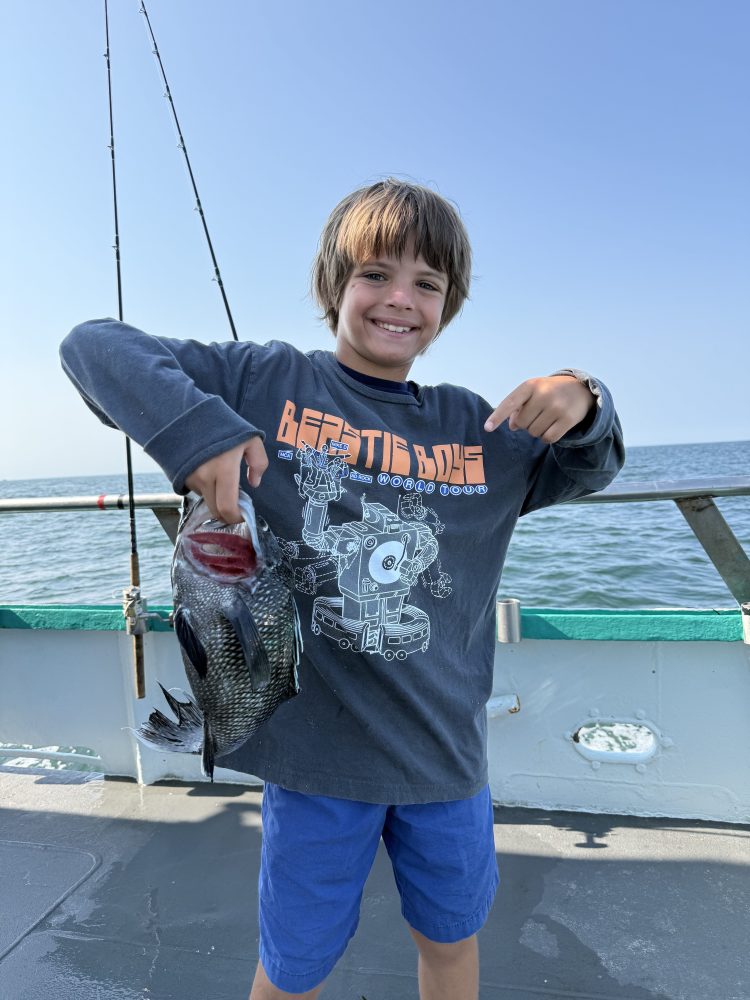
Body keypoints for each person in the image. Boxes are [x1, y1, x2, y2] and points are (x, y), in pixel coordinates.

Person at [60, 178, 625, 1000]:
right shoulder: (264, 380)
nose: (400, 299)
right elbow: (93, 346)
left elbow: (594, 461)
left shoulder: (479, 431)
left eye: (426, 284)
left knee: (452, 946)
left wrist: (585, 393)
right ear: (334, 285)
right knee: (293, 969)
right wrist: (200, 431)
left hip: (446, 762)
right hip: (313, 762)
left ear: (448, 304)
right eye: (375, 274)